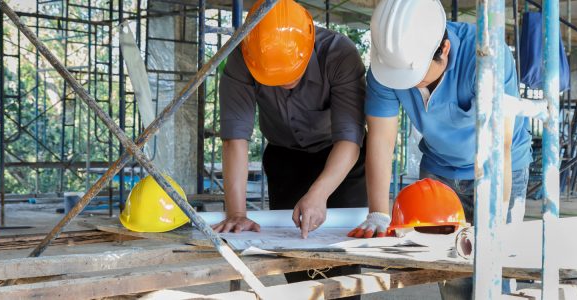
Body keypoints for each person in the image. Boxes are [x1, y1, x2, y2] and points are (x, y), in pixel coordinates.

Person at [349, 0, 532, 298]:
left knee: (495, 270)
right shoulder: (388, 66)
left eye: (415, 76)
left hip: (499, 167)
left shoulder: (486, 55)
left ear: (444, 49)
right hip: (439, 171)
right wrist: (378, 213)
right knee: (451, 271)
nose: (406, 85)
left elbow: (500, 147)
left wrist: (496, 221)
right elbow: (381, 142)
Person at [213, 0, 367, 296]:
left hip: (340, 159)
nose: (285, 83)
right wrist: (236, 212)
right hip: (284, 156)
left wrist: (319, 194)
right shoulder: (241, 56)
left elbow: (350, 138)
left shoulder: (340, 54)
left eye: (292, 75)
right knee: (291, 258)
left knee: (343, 262)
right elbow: (235, 138)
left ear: (309, 44)